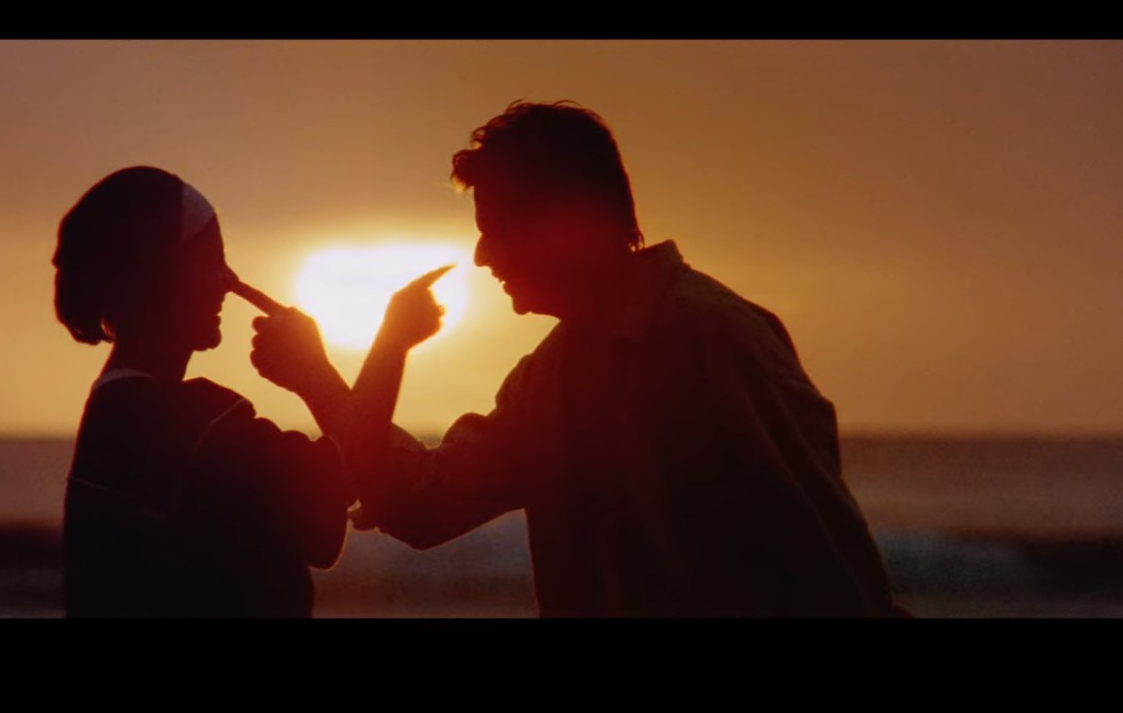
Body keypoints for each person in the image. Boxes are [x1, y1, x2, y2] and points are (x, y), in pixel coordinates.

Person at [250, 101, 907, 617]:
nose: (482, 255)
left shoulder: (713, 336)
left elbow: (823, 556)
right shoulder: (548, 378)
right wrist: (338, 370)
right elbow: (418, 507)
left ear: (567, 220)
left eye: (496, 227)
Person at [52, 166, 350, 617]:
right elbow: (347, 481)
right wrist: (328, 373)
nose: (230, 281)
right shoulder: (196, 424)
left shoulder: (115, 412)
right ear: (160, 274)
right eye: (212, 260)